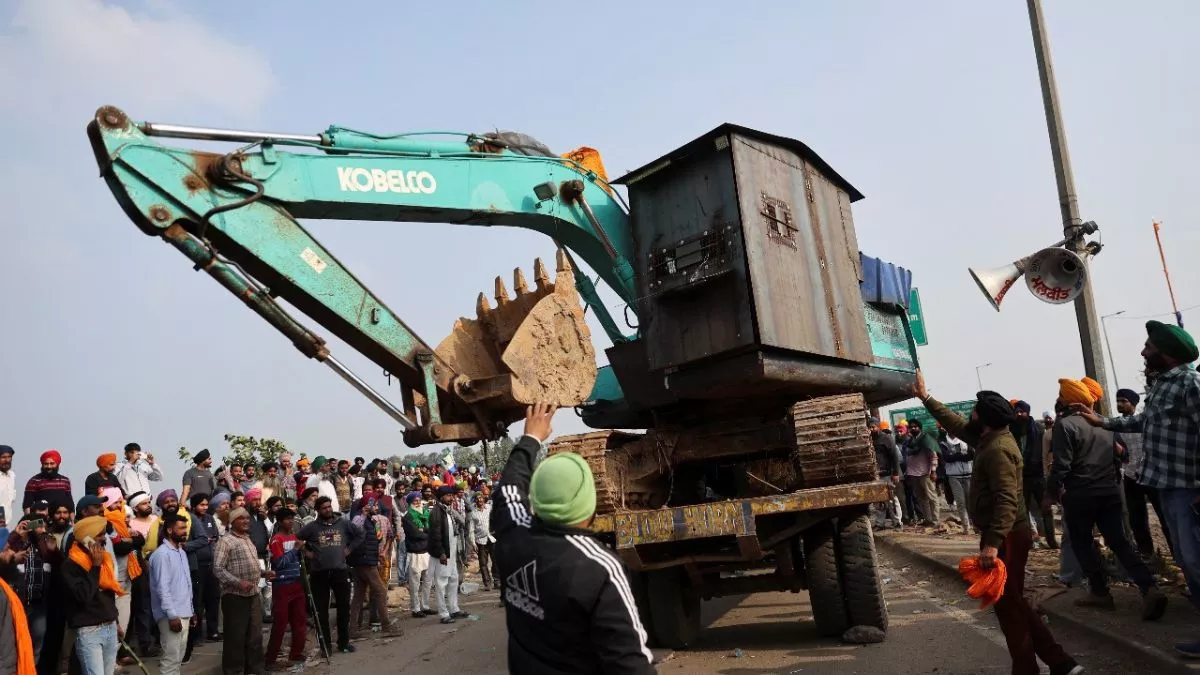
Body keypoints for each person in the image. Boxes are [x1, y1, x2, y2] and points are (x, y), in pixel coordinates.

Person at [913, 374, 1082, 675]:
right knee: (1012, 603)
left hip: (1007, 538)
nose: (969, 415)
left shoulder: (998, 450)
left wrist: (991, 543)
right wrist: (926, 398)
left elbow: (1006, 501)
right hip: (1002, 535)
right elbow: (954, 423)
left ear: (983, 417)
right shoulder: (988, 439)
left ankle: (1035, 667)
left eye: (974, 411)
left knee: (1010, 607)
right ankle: (1059, 663)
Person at [493, 403, 655, 674]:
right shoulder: (599, 567)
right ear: (589, 503)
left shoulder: (513, 535)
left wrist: (530, 439)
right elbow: (630, 662)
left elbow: (508, 488)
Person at [1073, 320, 1200, 657]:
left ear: (1167, 353)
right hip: (1166, 486)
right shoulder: (1160, 386)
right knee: (1187, 560)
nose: (1144, 351)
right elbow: (1144, 422)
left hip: (1189, 487)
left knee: (1195, 559)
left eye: (1149, 347)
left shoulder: (1190, 383)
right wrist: (1103, 422)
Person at [1048, 379, 1167, 619]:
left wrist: (1050, 492)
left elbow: (1061, 466)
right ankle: (1148, 587)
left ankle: (1100, 592)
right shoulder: (1104, 423)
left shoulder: (1066, 425)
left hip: (1081, 495)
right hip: (1109, 492)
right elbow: (1119, 458)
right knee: (1120, 542)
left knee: (1082, 543)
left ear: (1067, 399)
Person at [296, 496, 362, 655]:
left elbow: (360, 535)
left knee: (344, 608)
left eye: (329, 506)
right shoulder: (311, 527)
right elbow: (297, 539)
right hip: (319, 573)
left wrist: (349, 549)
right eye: (324, 508)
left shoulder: (343, 523)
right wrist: (307, 552)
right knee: (321, 612)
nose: (328, 510)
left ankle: (344, 643)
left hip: (340, 571)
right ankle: (326, 647)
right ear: (318, 510)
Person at [212, 508, 270, 674]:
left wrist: (264, 573)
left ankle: (256, 669)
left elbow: (249, 565)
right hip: (235, 597)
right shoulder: (226, 541)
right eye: (241, 518)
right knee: (235, 639)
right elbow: (218, 569)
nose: (246, 521)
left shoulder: (247, 539)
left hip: (252, 595)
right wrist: (238, 583)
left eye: (247, 518)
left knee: (255, 637)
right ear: (232, 521)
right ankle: (234, 671)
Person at [61, 516, 121, 675]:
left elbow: (109, 594)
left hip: (109, 626)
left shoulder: (104, 559)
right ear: (87, 537)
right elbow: (84, 595)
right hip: (89, 631)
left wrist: (116, 621)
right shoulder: (70, 565)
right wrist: (95, 567)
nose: (104, 538)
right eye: (100, 534)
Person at [1113, 388, 1168, 560]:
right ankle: (1147, 553)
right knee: (1137, 519)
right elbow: (1121, 453)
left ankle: (1176, 553)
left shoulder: (1146, 421)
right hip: (1131, 476)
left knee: (1164, 517)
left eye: (1124, 401)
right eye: (1118, 401)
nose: (1120, 404)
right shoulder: (1117, 425)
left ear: (1133, 404)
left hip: (1152, 475)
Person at [6, 513, 58, 662]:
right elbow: (2, 552)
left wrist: (42, 536)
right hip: (16, 605)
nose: (36, 527)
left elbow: (58, 565)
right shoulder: (14, 546)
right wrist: (16, 534)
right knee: (14, 645)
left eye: (40, 524)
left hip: (38, 604)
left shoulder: (44, 544)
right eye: (32, 525)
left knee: (36, 644)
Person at [149, 514, 193, 675]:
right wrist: (172, 615)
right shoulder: (162, 555)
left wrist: (191, 610)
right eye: (181, 528)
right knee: (171, 660)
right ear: (169, 530)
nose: (185, 531)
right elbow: (162, 588)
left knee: (178, 659)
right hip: (171, 615)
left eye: (185, 528)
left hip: (184, 611)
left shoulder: (180, 551)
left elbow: (185, 584)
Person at [349, 498, 400, 635]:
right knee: (381, 591)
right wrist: (363, 513)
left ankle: (353, 629)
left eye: (377, 504)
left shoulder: (372, 520)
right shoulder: (359, 518)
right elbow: (354, 529)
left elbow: (378, 539)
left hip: (367, 560)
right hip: (364, 561)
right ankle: (386, 626)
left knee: (358, 596)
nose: (376, 506)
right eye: (373, 504)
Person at [1011, 402, 1056, 549]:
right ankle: (1029, 540)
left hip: (1038, 475)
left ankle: (1051, 541)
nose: (1018, 414)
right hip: (1021, 476)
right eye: (1016, 411)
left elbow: (1049, 451)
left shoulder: (1039, 429)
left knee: (1046, 509)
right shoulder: (1012, 431)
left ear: (1027, 413)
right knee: (1023, 511)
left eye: (1021, 412)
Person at [266, 509, 306, 671]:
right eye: (288, 519)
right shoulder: (276, 540)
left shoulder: (294, 536)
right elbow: (279, 562)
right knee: (281, 623)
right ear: (280, 521)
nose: (291, 522)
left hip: (296, 583)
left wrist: (302, 551)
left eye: (292, 519)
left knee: (300, 621)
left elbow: (298, 558)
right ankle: (270, 659)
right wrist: (295, 550)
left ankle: (295, 653)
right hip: (282, 585)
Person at [125, 491, 160, 658]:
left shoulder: (156, 520)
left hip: (159, 566)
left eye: (148, 502)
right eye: (144, 503)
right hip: (139, 568)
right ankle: (144, 644)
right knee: (142, 607)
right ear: (135, 507)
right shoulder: (130, 523)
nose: (148, 505)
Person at [428, 485, 467, 624]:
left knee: (453, 580)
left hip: (452, 553)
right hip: (443, 554)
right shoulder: (437, 512)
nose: (451, 498)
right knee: (441, 583)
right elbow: (435, 535)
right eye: (449, 496)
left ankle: (454, 609)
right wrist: (441, 553)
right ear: (441, 497)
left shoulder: (448, 510)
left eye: (452, 495)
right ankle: (444, 614)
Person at [401, 492, 434, 618]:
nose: (418, 502)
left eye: (419, 500)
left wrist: (424, 530)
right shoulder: (408, 517)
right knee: (415, 584)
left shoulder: (426, 514)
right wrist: (426, 533)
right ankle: (415, 609)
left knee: (427, 582)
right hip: (415, 554)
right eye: (415, 501)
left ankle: (425, 606)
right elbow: (415, 535)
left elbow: (430, 530)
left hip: (427, 552)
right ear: (410, 503)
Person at [902, 419, 940, 526]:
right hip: (913, 474)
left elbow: (933, 456)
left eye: (915, 426)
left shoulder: (926, 440)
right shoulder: (909, 442)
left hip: (926, 473)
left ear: (920, 427)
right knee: (921, 499)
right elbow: (907, 458)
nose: (913, 428)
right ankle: (928, 520)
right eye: (911, 427)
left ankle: (935, 520)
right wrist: (908, 473)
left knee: (932, 497)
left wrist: (933, 471)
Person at [869, 417, 903, 529]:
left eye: (873, 427)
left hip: (887, 474)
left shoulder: (886, 438)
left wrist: (895, 473)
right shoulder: (868, 439)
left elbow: (894, 457)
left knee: (891, 499)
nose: (871, 429)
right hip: (875, 475)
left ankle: (897, 521)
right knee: (879, 501)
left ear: (878, 426)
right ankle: (880, 523)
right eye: (869, 427)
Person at [941, 431, 975, 533]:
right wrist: (961, 455)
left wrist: (955, 455)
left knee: (971, 502)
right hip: (953, 476)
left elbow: (971, 455)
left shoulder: (966, 440)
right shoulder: (943, 442)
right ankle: (966, 527)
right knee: (961, 502)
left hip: (968, 474)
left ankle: (975, 524)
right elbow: (947, 458)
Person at [22, 451, 73, 516]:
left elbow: (70, 503)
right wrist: (30, 520)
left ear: (57, 464)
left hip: (60, 519)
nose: (49, 466)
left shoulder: (65, 481)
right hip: (41, 518)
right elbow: (27, 505)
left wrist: (72, 520)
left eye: (52, 463)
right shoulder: (34, 481)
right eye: (46, 464)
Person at [467, 491, 496, 590]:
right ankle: (487, 583)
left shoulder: (489, 508)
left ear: (484, 499)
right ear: (475, 500)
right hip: (480, 541)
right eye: (478, 498)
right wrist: (473, 543)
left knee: (495, 561)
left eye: (481, 498)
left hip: (491, 538)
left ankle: (497, 581)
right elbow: (471, 530)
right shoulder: (473, 513)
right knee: (483, 563)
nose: (480, 500)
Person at [0, 446, 16, 530]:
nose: (7, 460)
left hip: (6, 526)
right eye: (3, 457)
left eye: (9, 457)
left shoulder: (12, 476)